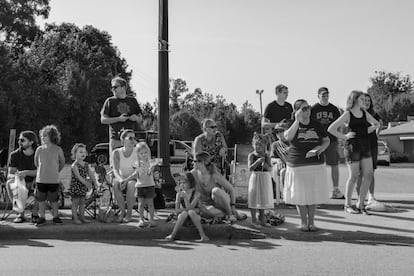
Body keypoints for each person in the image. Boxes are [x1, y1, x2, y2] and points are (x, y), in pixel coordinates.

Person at [328, 91, 380, 215]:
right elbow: (331, 129)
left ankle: (360, 204)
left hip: (365, 146)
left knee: (368, 174)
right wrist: (344, 136)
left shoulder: (364, 113)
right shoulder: (348, 114)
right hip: (352, 147)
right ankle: (347, 205)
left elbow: (377, 124)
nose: (364, 101)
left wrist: (367, 130)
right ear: (355, 99)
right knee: (354, 176)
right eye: (362, 98)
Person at [283, 99, 330, 232]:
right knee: (300, 194)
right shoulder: (292, 124)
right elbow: (288, 137)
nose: (307, 110)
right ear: (296, 111)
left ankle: (312, 222)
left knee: (312, 194)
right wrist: (297, 121)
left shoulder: (316, 124)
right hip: (297, 164)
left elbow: (326, 140)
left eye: (308, 107)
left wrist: (321, 148)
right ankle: (303, 222)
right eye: (303, 108)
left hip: (315, 163)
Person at [191, 151, 245, 222]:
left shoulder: (214, 175)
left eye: (195, 161)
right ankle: (224, 215)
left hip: (219, 203)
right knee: (203, 211)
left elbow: (231, 189)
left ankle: (230, 214)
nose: (192, 163)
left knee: (216, 191)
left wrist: (233, 206)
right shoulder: (193, 174)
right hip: (206, 206)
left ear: (203, 162)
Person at [311, 87, 345, 199]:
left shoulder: (334, 109)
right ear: (318, 96)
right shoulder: (313, 109)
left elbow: (340, 124)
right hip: (318, 141)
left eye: (327, 95)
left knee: (334, 164)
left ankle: (335, 189)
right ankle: (316, 190)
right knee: (317, 165)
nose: (325, 97)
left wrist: (339, 137)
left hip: (332, 140)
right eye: (323, 95)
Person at [100, 76, 143, 165]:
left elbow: (140, 119)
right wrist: (118, 119)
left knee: (132, 165)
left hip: (131, 139)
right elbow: (103, 120)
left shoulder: (133, 101)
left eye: (115, 87)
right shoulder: (110, 101)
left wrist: (136, 118)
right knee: (115, 167)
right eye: (112, 87)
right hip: (116, 139)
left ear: (123, 87)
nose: (113, 89)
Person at [34, 125, 66, 226]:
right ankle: (42, 217)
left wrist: (56, 171)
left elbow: (62, 162)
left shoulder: (58, 149)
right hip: (41, 179)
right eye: (42, 136)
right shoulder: (39, 149)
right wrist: (41, 171)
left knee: (54, 200)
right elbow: (36, 162)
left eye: (45, 136)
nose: (42, 138)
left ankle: (55, 216)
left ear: (52, 136)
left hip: (53, 180)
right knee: (41, 200)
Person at [6, 131, 39, 223]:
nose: (19, 142)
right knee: (10, 183)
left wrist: (27, 172)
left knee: (41, 183)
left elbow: (42, 171)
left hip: (36, 181)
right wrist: (18, 176)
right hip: (21, 183)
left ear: (31, 142)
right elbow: (10, 174)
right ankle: (20, 214)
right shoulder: (14, 155)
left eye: (22, 140)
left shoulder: (39, 153)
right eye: (19, 140)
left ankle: (35, 213)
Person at [165, 172, 209, 242]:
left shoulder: (196, 194)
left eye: (184, 183)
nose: (182, 185)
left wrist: (185, 198)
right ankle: (172, 235)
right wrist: (184, 210)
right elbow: (177, 210)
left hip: (194, 218)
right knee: (184, 213)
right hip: (183, 218)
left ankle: (202, 235)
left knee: (191, 212)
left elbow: (190, 208)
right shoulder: (179, 194)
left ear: (190, 183)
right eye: (181, 183)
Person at [356, 93, 382, 206]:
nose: (367, 102)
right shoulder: (357, 114)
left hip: (371, 145)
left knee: (370, 172)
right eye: (364, 100)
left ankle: (371, 196)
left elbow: (380, 124)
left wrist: (377, 134)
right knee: (359, 173)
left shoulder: (374, 114)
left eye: (368, 100)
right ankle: (359, 197)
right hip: (359, 145)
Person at [247, 133, 274, 228]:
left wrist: (265, 165)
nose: (258, 147)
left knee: (263, 198)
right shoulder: (251, 155)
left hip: (264, 177)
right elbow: (250, 168)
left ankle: (262, 219)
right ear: (253, 145)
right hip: (255, 177)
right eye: (256, 144)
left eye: (261, 145)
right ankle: (253, 220)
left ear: (264, 146)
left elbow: (270, 168)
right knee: (254, 197)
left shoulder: (267, 156)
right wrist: (257, 162)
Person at [112, 129, 138, 223]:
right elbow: (115, 169)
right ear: (123, 140)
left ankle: (129, 213)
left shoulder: (137, 152)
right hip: (121, 177)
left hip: (133, 178)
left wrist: (126, 180)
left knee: (131, 185)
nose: (133, 140)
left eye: (134, 138)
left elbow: (137, 171)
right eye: (130, 138)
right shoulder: (116, 152)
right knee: (115, 184)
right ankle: (122, 212)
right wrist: (120, 179)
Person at [69, 143, 98, 224]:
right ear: (75, 154)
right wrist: (87, 183)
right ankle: (75, 219)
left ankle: (82, 217)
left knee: (82, 203)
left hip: (83, 187)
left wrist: (95, 182)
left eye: (84, 152)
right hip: (76, 187)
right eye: (80, 152)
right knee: (75, 203)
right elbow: (78, 177)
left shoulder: (86, 164)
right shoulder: (74, 165)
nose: (83, 154)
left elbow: (91, 174)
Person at [134, 141, 158, 227]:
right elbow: (137, 175)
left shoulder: (151, 162)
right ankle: (141, 219)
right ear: (138, 154)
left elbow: (150, 174)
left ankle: (151, 219)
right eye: (141, 153)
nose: (144, 155)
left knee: (150, 204)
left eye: (145, 152)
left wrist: (151, 169)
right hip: (140, 185)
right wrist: (138, 171)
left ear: (148, 152)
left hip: (149, 185)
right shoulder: (137, 163)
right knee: (141, 204)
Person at [270, 122, 289, 203]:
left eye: (281, 131)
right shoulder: (275, 144)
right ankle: (286, 196)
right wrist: (278, 160)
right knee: (283, 172)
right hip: (283, 167)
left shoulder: (293, 142)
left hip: (296, 166)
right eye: (277, 132)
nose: (278, 134)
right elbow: (271, 159)